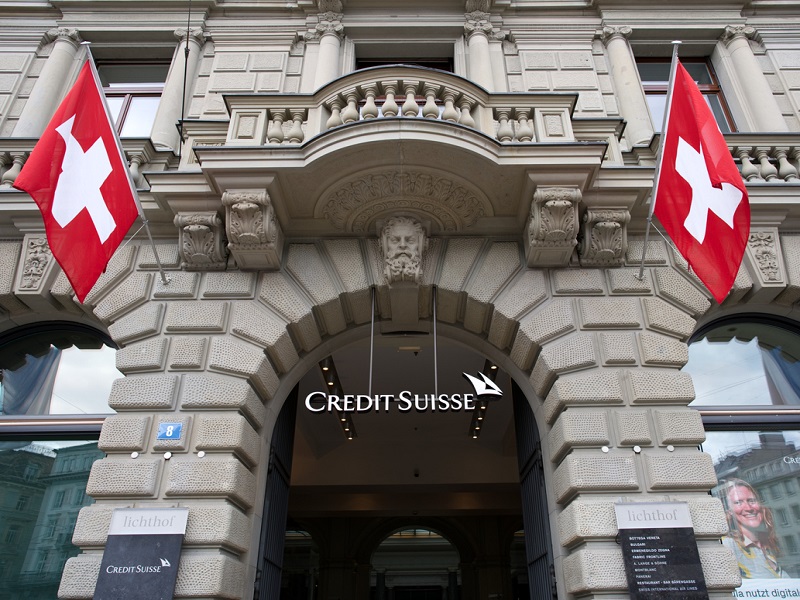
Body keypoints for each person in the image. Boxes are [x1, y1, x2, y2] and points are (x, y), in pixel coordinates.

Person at [720, 478, 790, 579]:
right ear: (729, 511)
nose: (748, 508)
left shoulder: (771, 546)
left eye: (752, 501)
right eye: (738, 502)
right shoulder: (729, 546)